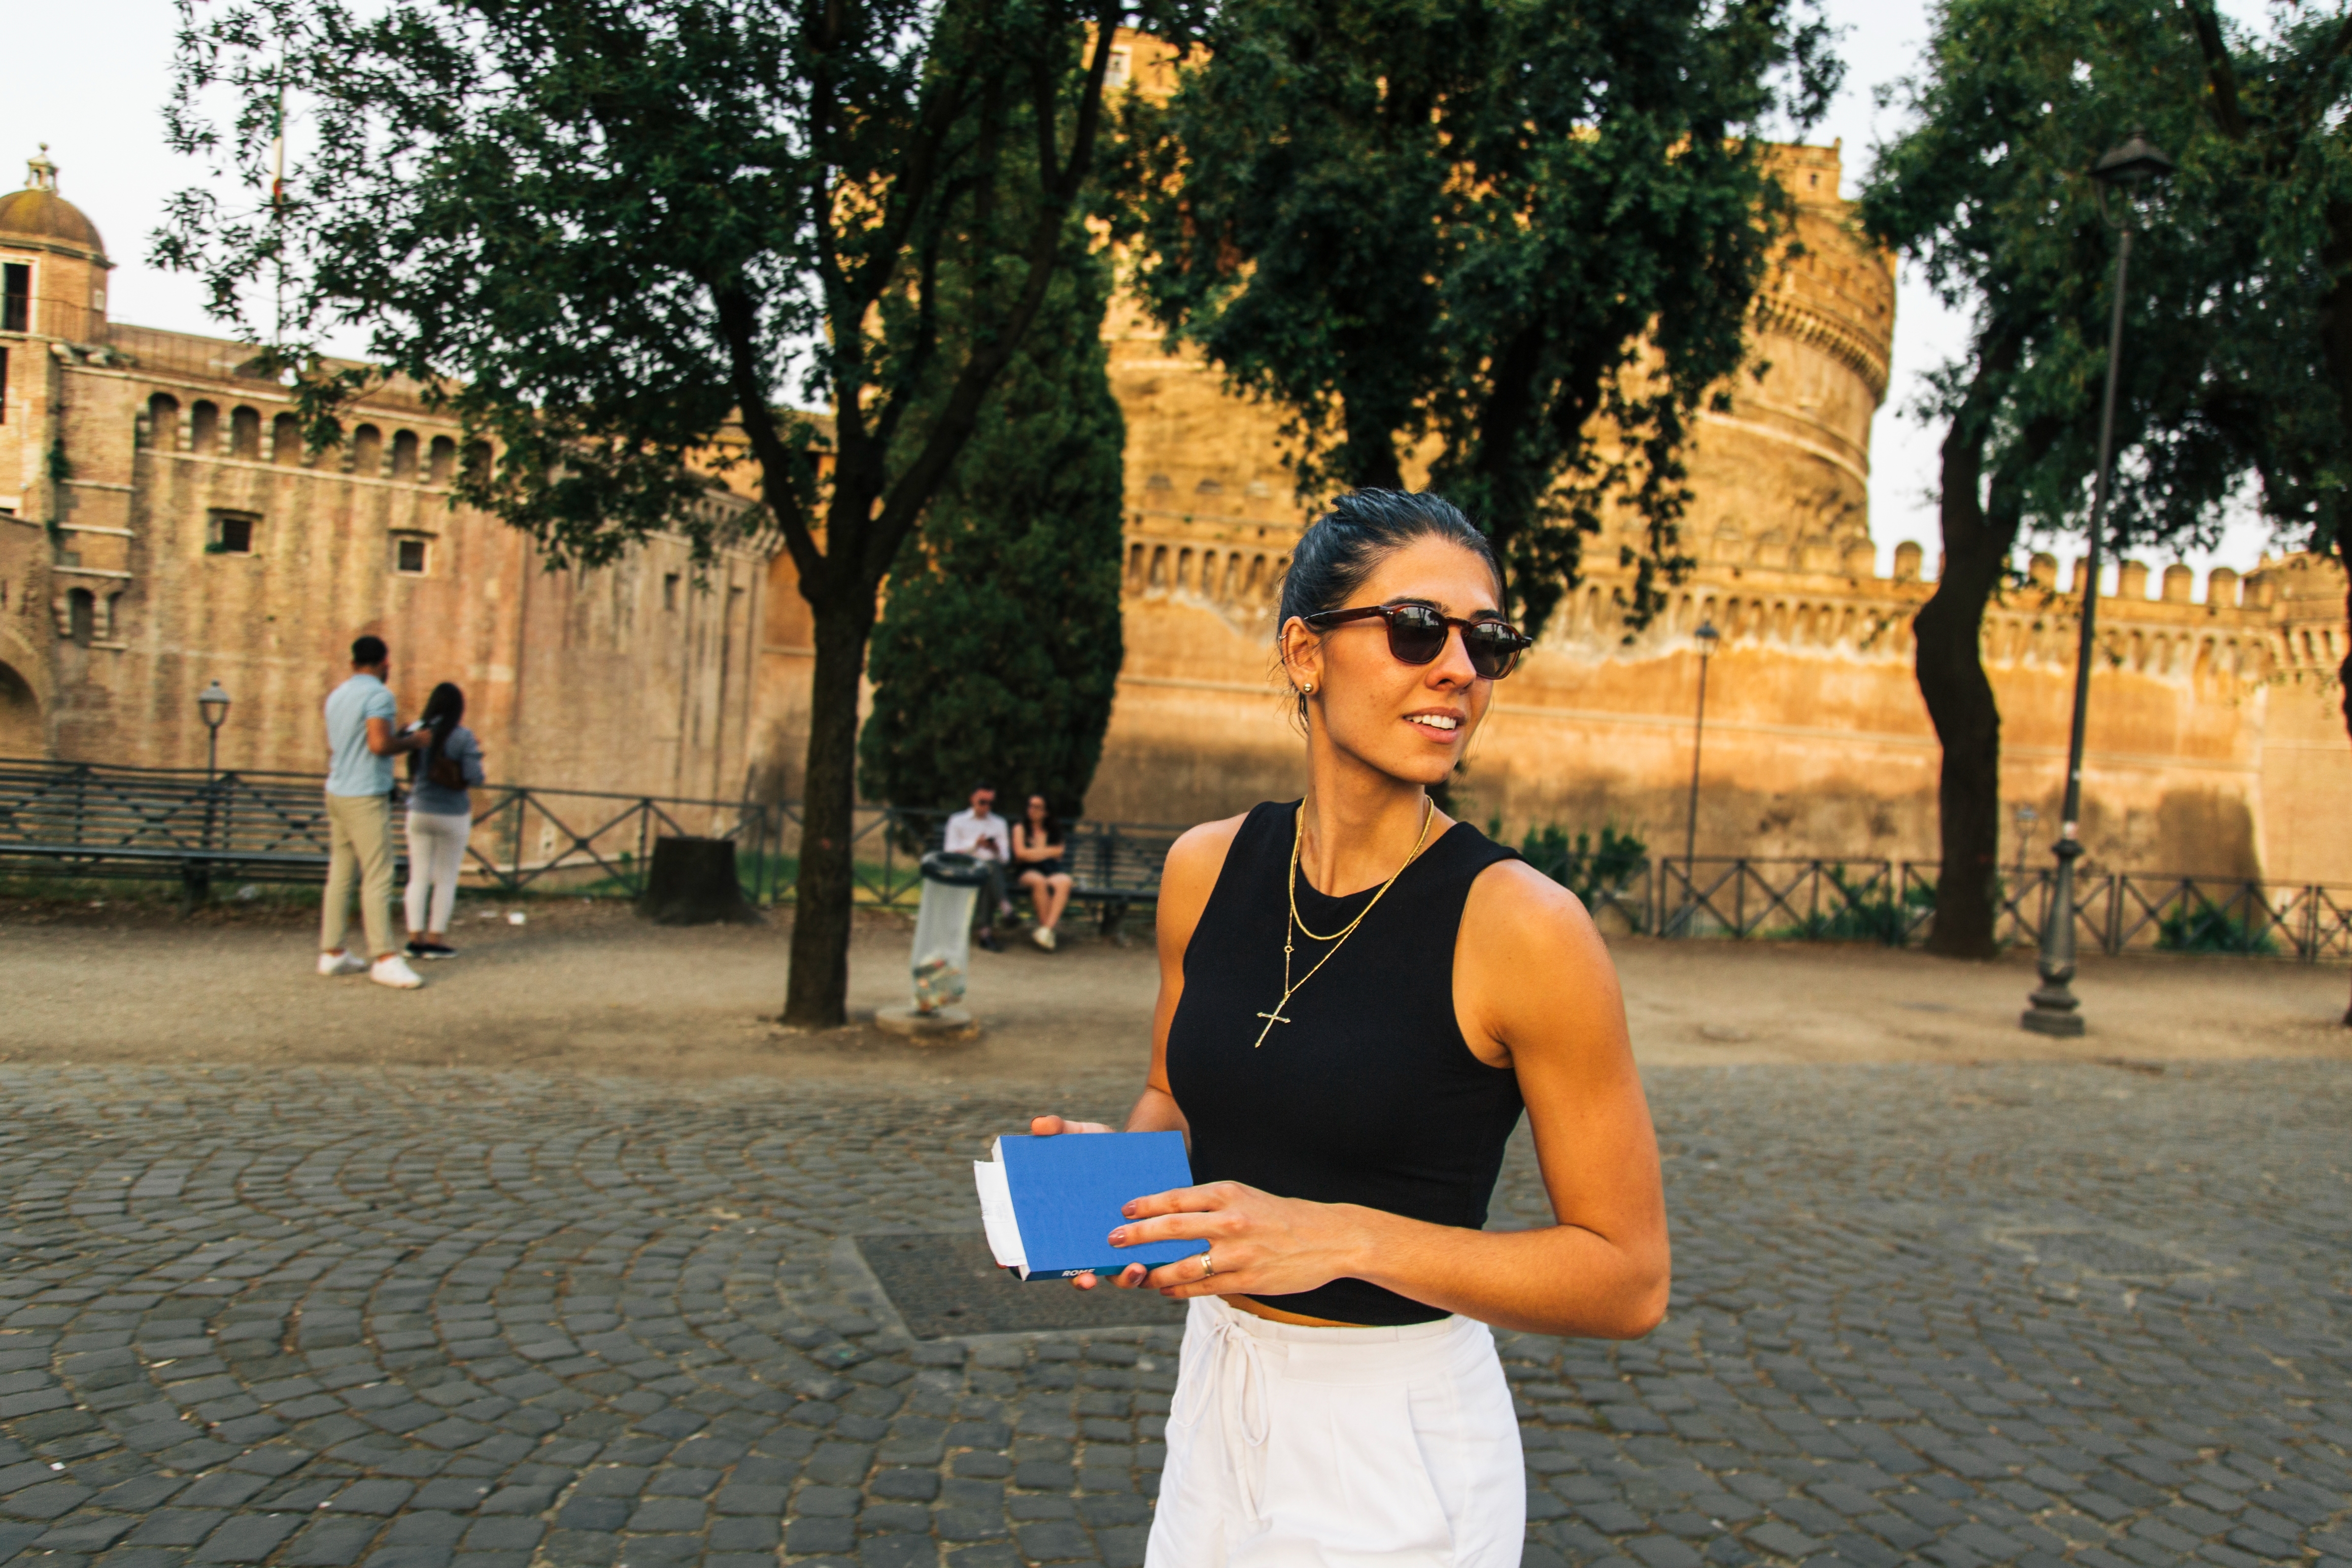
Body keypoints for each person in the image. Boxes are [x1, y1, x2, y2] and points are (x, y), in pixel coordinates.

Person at [1029, 490, 1669, 1567]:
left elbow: (1627, 1278)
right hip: (1215, 1403)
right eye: (1417, 629)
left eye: (1489, 642)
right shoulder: (1204, 870)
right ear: (1304, 652)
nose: (1458, 668)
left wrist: (1345, 1239)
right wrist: (1127, 1189)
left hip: (1396, 1443)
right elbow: (1176, 1097)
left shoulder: (1525, 929)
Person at [319, 635, 434, 989]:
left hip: (337, 789)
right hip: (365, 794)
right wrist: (414, 741)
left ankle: (333, 951)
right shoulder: (380, 696)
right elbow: (379, 744)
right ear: (385, 663)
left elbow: (352, 743)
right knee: (378, 873)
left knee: (341, 871)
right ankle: (383, 956)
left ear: (354, 663)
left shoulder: (337, 695)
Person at [400, 681, 486, 960]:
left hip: (420, 810)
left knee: (418, 878)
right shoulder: (463, 737)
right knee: (446, 880)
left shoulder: (417, 730)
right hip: (453, 814)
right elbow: (475, 778)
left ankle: (415, 940)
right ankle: (435, 941)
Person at [942, 783, 1015, 951]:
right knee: (989, 870)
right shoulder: (958, 821)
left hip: (989, 871)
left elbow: (1005, 859)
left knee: (989, 872)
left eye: (990, 803)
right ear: (972, 800)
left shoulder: (999, 823)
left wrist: (995, 849)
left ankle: (986, 935)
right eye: (982, 802)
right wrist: (975, 845)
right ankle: (1005, 910)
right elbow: (949, 851)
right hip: (966, 868)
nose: (986, 807)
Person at [1013, 793, 1075, 950]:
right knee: (1039, 881)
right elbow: (1020, 855)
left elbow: (1059, 853)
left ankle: (1046, 930)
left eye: (1037, 807)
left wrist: (1034, 852)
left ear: (1046, 812)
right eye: (1030, 805)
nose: (1032, 810)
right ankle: (1048, 933)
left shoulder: (1054, 829)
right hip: (1027, 870)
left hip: (1051, 868)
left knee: (1065, 882)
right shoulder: (1020, 828)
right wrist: (1047, 851)